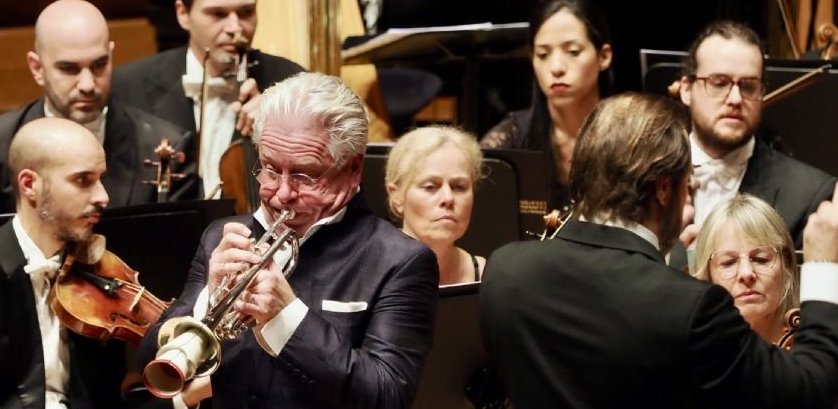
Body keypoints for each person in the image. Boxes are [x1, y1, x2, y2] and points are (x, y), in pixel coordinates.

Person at [479, 91, 838, 408]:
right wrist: (823, 264)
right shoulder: (690, 307)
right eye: (687, 184)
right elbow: (808, 390)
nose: (690, 195)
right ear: (664, 190)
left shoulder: (505, 272)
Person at [138, 72, 439, 409]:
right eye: (269, 169)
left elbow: (387, 396)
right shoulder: (220, 237)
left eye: (305, 175)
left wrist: (288, 318)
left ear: (353, 168)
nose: (281, 194)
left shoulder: (400, 261)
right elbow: (149, 364)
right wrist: (208, 297)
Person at [0, 117, 175, 409]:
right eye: (83, 180)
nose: (103, 197)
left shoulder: (101, 277)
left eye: (101, 178)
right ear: (30, 185)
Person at [0, 0, 199, 214]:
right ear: (37, 68)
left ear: (111, 56)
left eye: (99, 65)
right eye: (69, 69)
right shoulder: (2, 144)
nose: (87, 84)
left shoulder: (169, 147)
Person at [112, 0, 305, 198]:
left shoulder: (294, 82)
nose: (235, 28)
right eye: (218, 14)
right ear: (183, 14)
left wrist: (280, 127)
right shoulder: (129, 86)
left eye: (246, 12)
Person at [678, 20, 836, 247]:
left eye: (749, 86)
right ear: (685, 89)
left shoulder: (810, 194)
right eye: (719, 82)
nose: (735, 99)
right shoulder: (644, 177)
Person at [479, 0, 613, 213]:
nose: (556, 68)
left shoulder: (631, 138)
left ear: (604, 56)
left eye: (573, 51)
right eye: (543, 55)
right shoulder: (513, 137)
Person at [691, 193, 799, 343]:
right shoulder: (691, 354)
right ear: (707, 274)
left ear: (786, 263)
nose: (746, 273)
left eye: (761, 259)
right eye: (728, 262)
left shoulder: (816, 349)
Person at [385, 125, 486, 285]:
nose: (448, 198)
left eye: (459, 187)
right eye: (430, 187)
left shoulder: (486, 276)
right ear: (396, 197)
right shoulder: (367, 272)